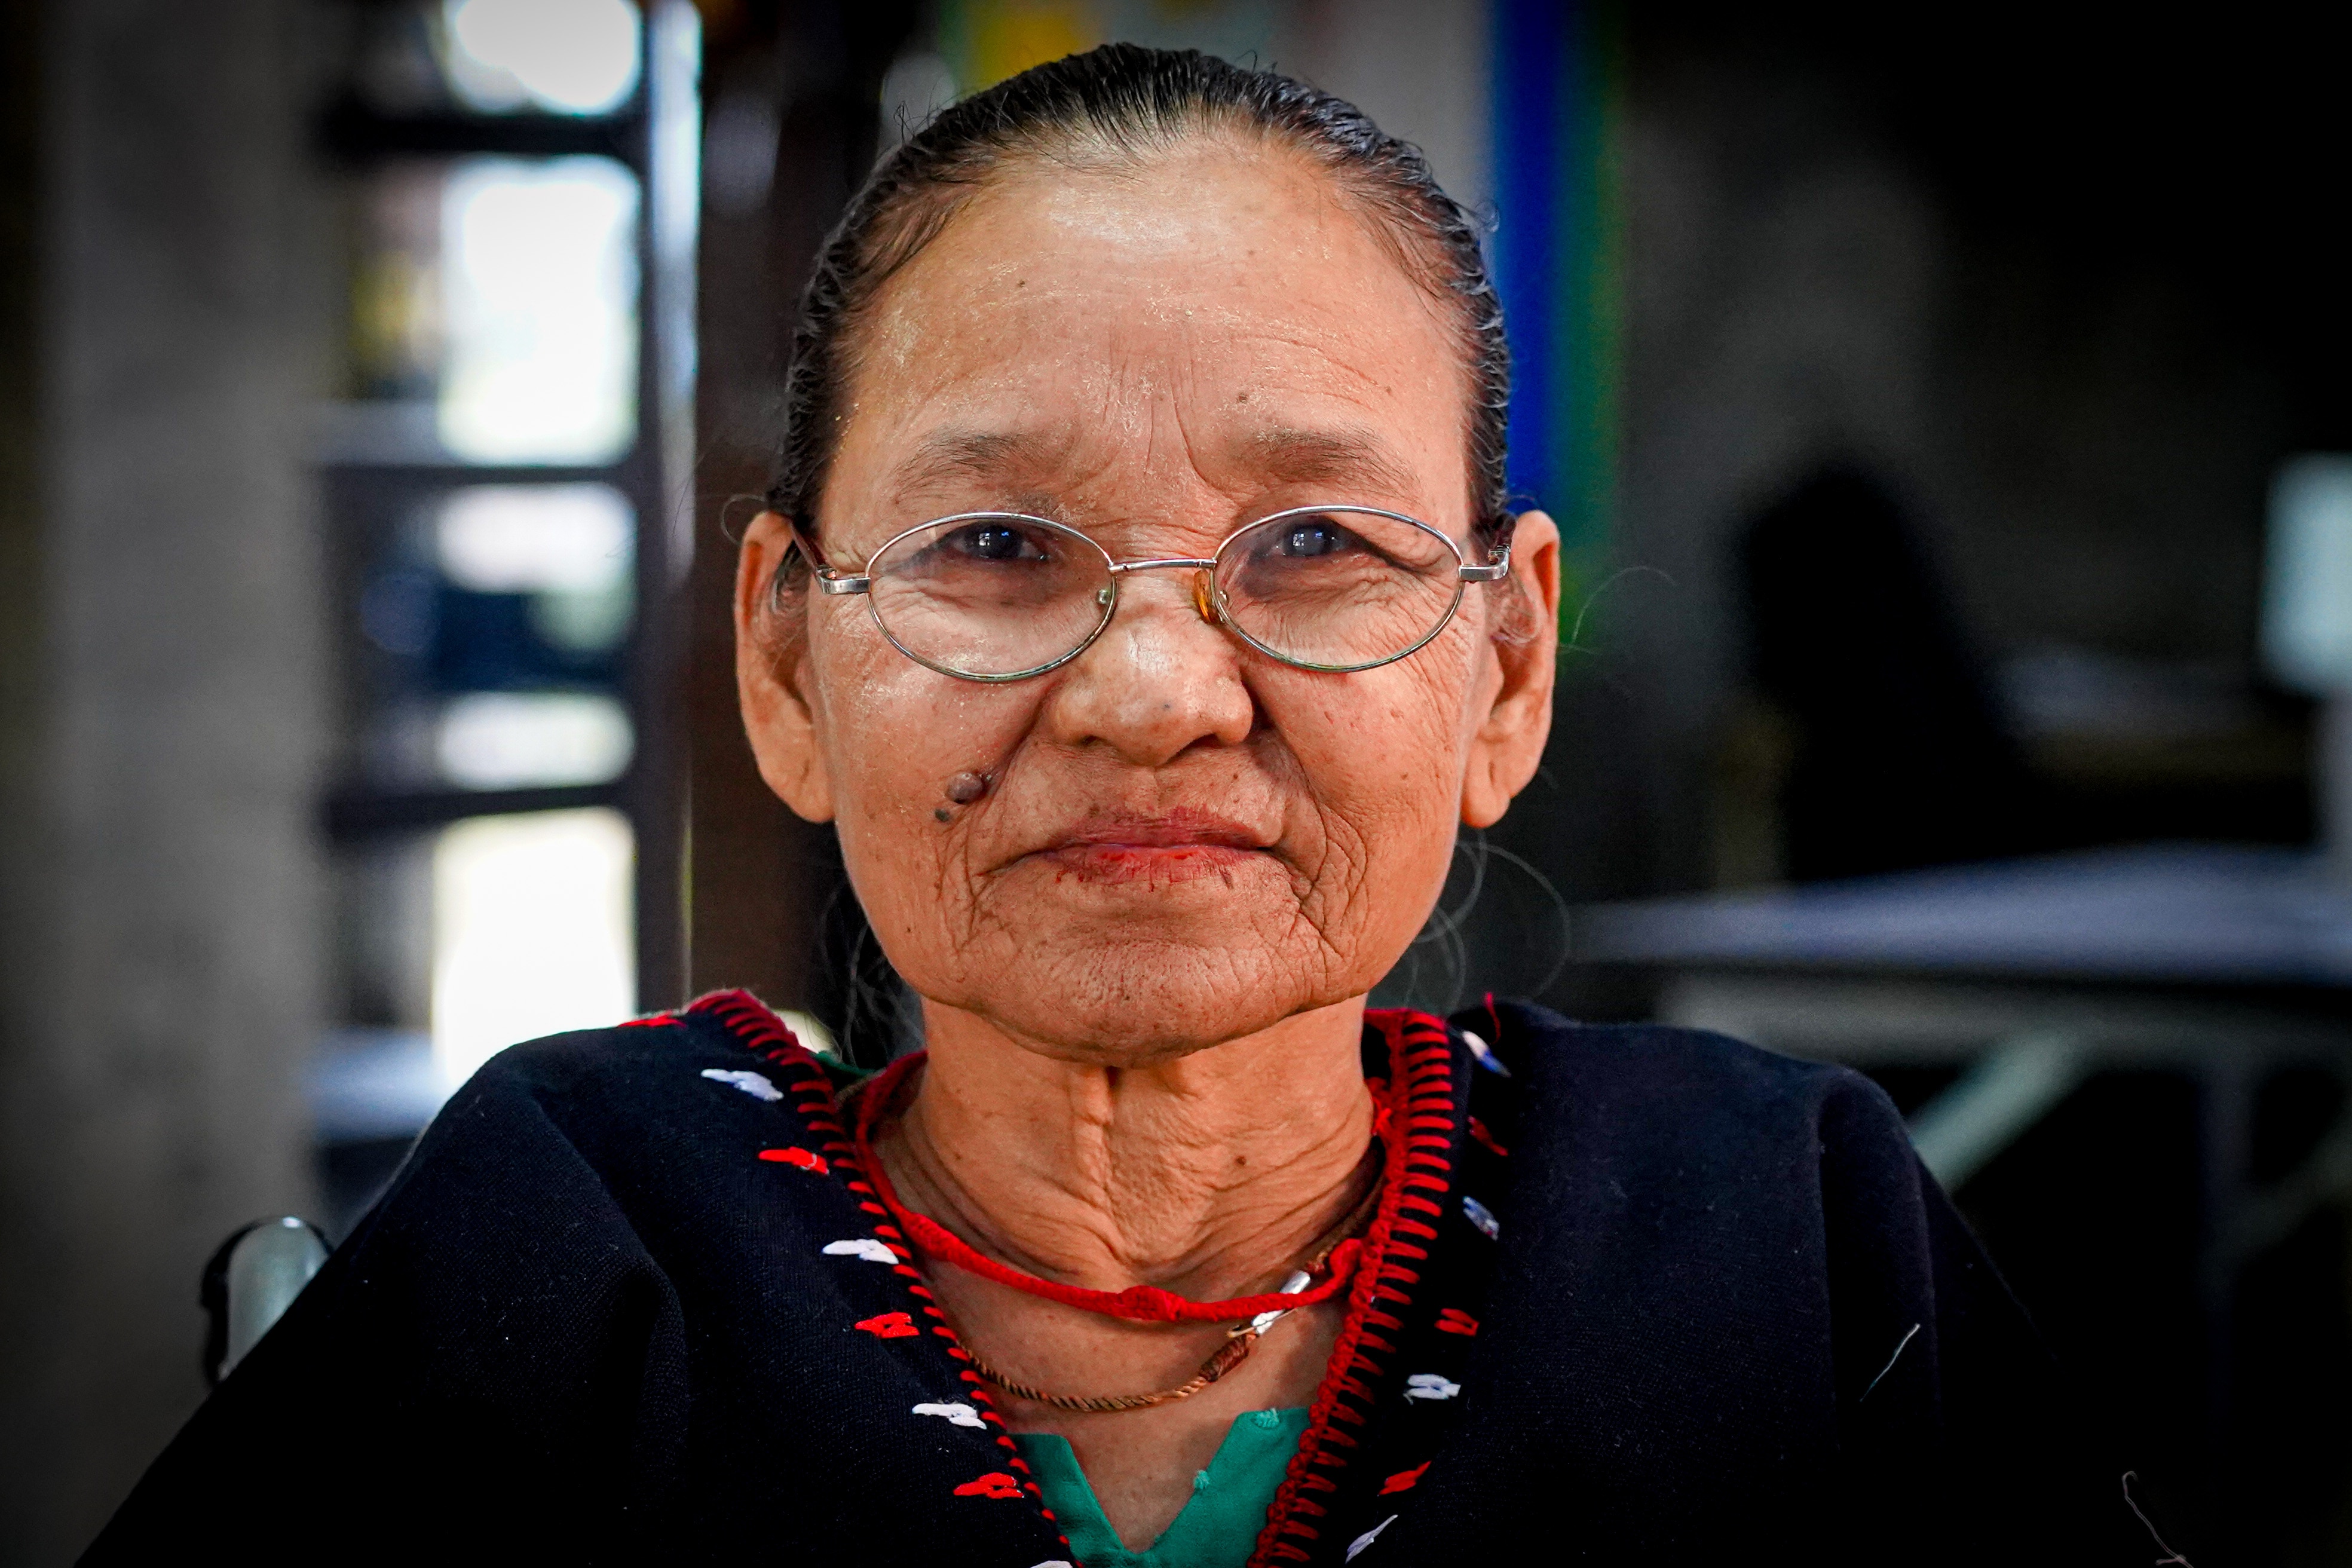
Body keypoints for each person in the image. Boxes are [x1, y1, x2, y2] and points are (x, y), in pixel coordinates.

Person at [87, 45, 2146, 1567]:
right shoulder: (571, 1239)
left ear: (1503, 667)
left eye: (1319, 541)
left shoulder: (1778, 1232)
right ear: (791, 663)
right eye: (993, 545)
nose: (1154, 694)